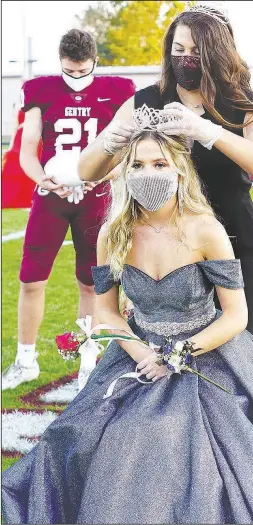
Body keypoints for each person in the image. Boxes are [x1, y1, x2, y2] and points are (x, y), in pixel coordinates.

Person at [2, 120, 253, 524]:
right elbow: (106, 311)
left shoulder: (205, 228)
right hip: (137, 350)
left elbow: (236, 315)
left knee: (173, 441)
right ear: (125, 172)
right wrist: (143, 350)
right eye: (138, 165)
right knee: (74, 438)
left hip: (208, 351)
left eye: (159, 164)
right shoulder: (113, 232)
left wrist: (177, 353)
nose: (148, 174)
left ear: (179, 169)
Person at [78, 3, 253, 342]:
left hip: (233, 238)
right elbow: (87, 170)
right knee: (167, 350)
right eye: (178, 50)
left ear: (215, 53)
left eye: (195, 51)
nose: (185, 59)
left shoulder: (241, 102)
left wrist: (209, 132)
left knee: (239, 347)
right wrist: (107, 143)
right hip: (164, 246)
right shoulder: (147, 100)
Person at [2, 29, 135, 391]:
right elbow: (28, 150)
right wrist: (43, 178)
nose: (75, 78)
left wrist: (101, 176)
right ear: (60, 63)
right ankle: (25, 359)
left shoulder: (119, 90)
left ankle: (88, 361)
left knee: (91, 284)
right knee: (31, 279)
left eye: (82, 71)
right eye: (68, 71)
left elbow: (128, 150)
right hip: (51, 196)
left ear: (94, 62)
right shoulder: (41, 89)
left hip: (96, 196)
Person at [2, 104, 40, 209]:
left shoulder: (38, 103)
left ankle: (26, 198)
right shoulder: (20, 105)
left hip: (32, 137)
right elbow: (15, 127)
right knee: (15, 167)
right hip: (22, 137)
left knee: (29, 167)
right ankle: (15, 198)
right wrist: (10, 148)